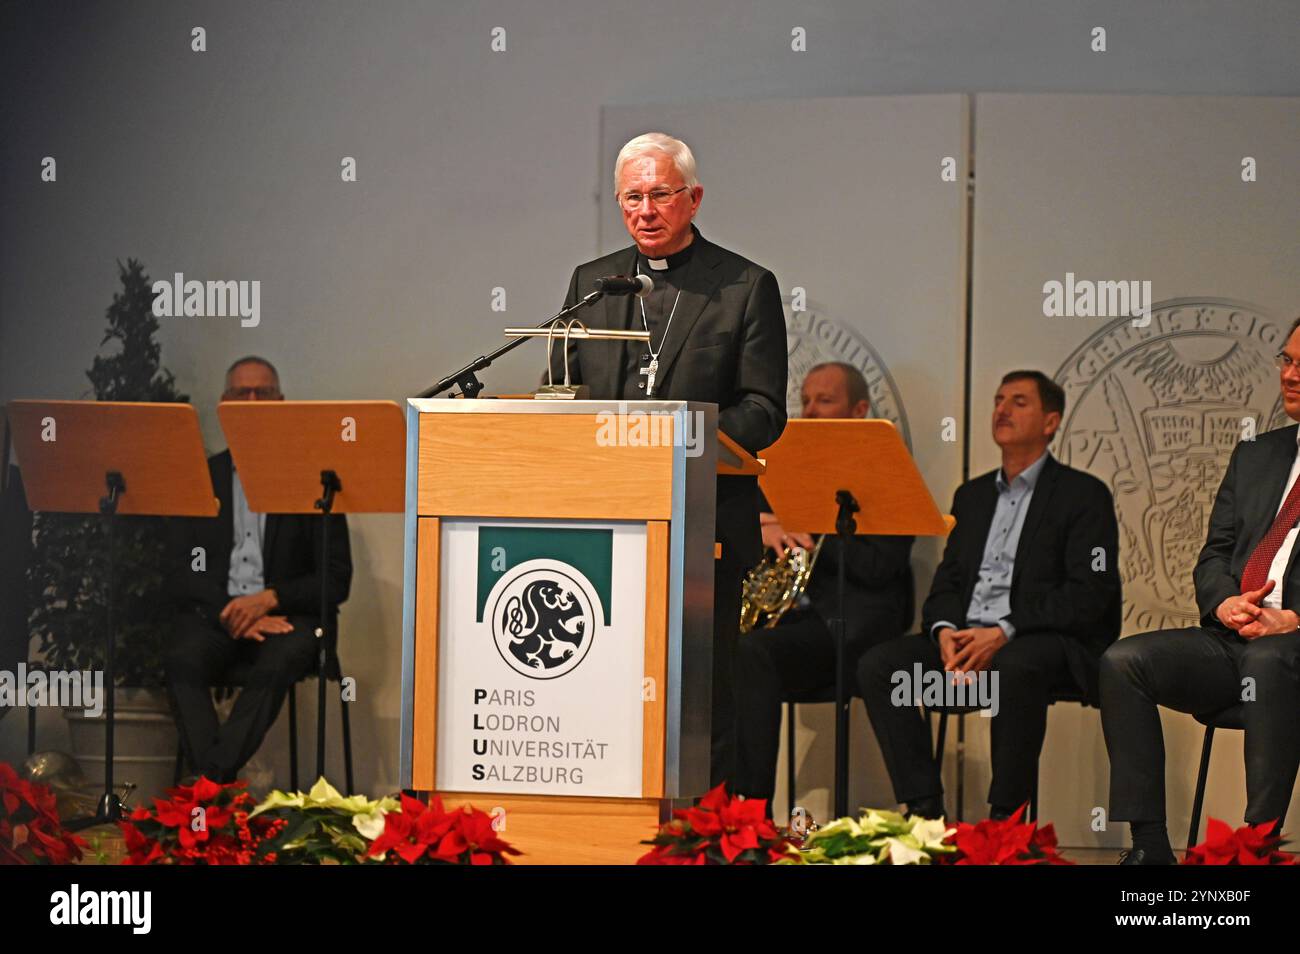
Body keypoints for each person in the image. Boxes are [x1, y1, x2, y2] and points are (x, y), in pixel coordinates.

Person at [549, 132, 787, 785]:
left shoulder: (744, 286)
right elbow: (564, 398)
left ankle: (705, 838)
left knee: (703, 706)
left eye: (659, 194)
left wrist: (682, 442)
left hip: (702, 529)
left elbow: (765, 409)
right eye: (632, 197)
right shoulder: (592, 286)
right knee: (610, 698)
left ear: (693, 198)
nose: (645, 210)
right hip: (606, 530)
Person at [859, 371, 1121, 820]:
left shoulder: (1084, 495)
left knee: (1013, 666)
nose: (1002, 410)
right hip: (965, 640)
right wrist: (943, 631)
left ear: (1051, 421)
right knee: (880, 665)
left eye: (1019, 402)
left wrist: (1003, 630)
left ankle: (1006, 819)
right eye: (999, 400)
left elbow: (1089, 594)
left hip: (1039, 640)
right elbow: (949, 582)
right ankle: (924, 810)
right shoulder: (972, 496)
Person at [1102, 317, 1300, 864]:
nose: (1291, 375)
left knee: (1267, 662)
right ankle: (1148, 849)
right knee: (1125, 662)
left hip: (1291, 644)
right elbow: (1215, 553)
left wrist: (1294, 621)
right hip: (1238, 635)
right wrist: (1224, 602)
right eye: (1286, 360)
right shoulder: (1258, 454)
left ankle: (1257, 848)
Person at [164, 357, 352, 782]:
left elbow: (336, 578)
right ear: (223, 405)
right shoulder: (202, 477)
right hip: (218, 614)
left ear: (280, 403)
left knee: (278, 660)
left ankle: (210, 786)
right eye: (240, 394)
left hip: (291, 619)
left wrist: (269, 599)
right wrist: (232, 612)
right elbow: (178, 570)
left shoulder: (314, 478)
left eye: (262, 393)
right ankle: (219, 783)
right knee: (180, 659)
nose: (251, 401)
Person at [733, 362, 913, 803]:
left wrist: (808, 528)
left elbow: (880, 566)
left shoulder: (885, 470)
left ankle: (750, 811)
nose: (809, 412)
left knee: (752, 653)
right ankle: (712, 807)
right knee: (713, 649)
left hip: (857, 621)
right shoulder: (781, 468)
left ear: (859, 410)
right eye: (806, 401)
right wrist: (760, 527)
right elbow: (753, 530)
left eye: (824, 401)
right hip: (794, 621)